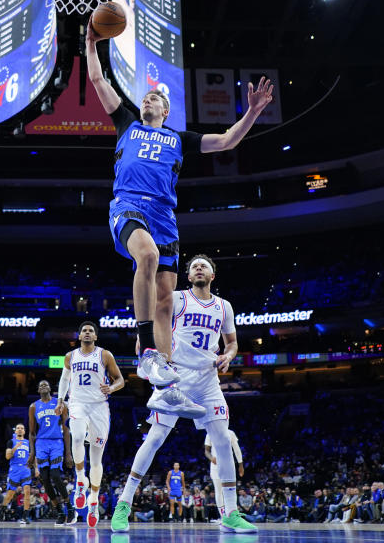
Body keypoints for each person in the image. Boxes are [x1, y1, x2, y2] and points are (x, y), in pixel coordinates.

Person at [85, 21, 273, 418]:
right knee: (147, 258)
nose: (149, 99)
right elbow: (98, 78)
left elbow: (227, 141)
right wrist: (89, 43)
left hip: (165, 215)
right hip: (129, 204)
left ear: (165, 110)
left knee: (167, 299)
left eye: (155, 97)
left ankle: (165, 385)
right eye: (146, 97)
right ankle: (145, 348)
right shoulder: (127, 124)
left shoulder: (179, 138)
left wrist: (253, 111)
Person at [110, 254, 257, 534]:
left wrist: (230, 355)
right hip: (176, 375)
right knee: (154, 438)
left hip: (208, 378)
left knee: (223, 441)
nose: (199, 268)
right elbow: (153, 317)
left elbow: (233, 342)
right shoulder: (177, 298)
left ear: (213, 275)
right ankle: (123, 504)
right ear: (188, 276)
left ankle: (231, 512)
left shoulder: (225, 307)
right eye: (194, 267)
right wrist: (144, 339)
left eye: (204, 266)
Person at [56, 320, 125, 528]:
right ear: (79, 336)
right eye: (84, 330)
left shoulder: (105, 355)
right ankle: (79, 481)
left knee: (96, 461)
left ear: (95, 337)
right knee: (76, 437)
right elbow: (64, 379)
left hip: (99, 407)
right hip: (77, 403)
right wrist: (60, 400)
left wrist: (111, 389)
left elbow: (120, 380)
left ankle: (93, 501)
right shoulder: (71, 356)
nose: (87, 333)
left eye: (91, 331)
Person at [28, 379, 74, 526]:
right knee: (45, 479)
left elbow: (67, 429)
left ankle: (69, 507)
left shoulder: (60, 404)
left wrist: (68, 453)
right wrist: (31, 453)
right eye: (40, 384)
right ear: (38, 390)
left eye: (46, 384)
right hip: (41, 443)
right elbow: (31, 433)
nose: (43, 385)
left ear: (50, 388)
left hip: (56, 442)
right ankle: (59, 511)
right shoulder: (33, 407)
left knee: (55, 475)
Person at [0, 423, 34, 525]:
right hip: (15, 469)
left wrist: (36, 469)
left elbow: (32, 456)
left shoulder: (28, 443)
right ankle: (2, 509)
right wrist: (15, 448)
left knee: (27, 491)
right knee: (10, 494)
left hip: (25, 469)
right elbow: (7, 456)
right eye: (18, 428)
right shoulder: (11, 442)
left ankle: (25, 516)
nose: (20, 430)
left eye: (22, 428)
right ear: (15, 431)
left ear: (24, 431)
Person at [204, 425, 244, 516]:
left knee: (231, 490)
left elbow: (237, 449)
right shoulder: (210, 433)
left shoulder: (230, 433)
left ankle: (232, 513)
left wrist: (240, 464)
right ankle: (223, 516)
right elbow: (206, 451)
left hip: (229, 465)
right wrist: (211, 458)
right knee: (218, 490)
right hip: (216, 466)